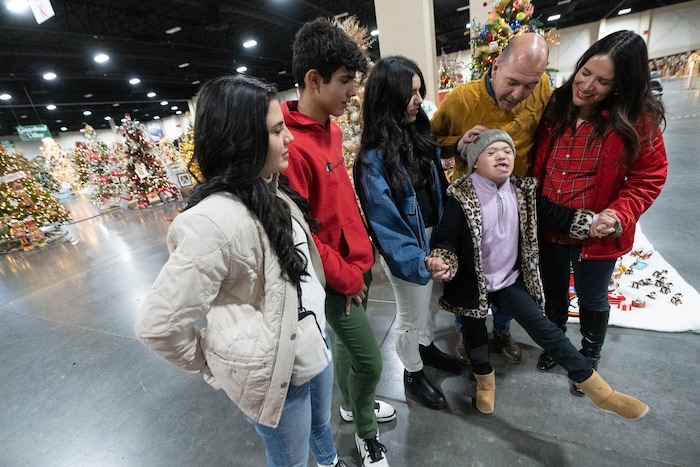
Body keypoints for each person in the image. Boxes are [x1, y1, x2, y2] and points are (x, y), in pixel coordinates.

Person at [135, 75, 348, 467]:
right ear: (242, 140)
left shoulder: (271, 189)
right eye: (276, 130)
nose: (290, 139)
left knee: (321, 427)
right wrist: (214, 362)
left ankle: (331, 460)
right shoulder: (215, 221)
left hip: (313, 342)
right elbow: (158, 325)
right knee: (289, 460)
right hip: (279, 373)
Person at [426, 129, 649, 421]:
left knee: (547, 331)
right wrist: (442, 260)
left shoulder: (524, 192)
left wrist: (592, 223)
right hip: (472, 285)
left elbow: (558, 215)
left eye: (507, 151)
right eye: (491, 152)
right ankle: (484, 380)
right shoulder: (460, 197)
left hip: (508, 282)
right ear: (475, 162)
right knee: (475, 337)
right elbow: (446, 238)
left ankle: (600, 391)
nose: (502, 156)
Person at [281, 18, 394, 467]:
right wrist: (346, 277)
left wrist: (363, 258)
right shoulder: (290, 148)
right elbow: (302, 234)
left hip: (358, 264)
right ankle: (366, 434)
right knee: (370, 363)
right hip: (334, 279)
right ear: (314, 79)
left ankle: (352, 407)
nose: (352, 92)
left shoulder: (330, 126)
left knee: (350, 351)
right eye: (345, 81)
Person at [532, 30, 668, 395]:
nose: (588, 85)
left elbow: (648, 177)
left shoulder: (638, 119)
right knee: (555, 291)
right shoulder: (556, 104)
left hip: (596, 232)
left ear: (621, 86)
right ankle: (557, 343)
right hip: (549, 223)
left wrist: (619, 214)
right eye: (586, 72)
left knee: (592, 298)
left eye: (603, 81)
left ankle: (589, 355)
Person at [430, 33, 553, 365]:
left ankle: (502, 330)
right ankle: (465, 331)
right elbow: (429, 140)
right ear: (496, 66)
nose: (518, 94)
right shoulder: (461, 100)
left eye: (529, 86)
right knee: (471, 276)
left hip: (515, 207)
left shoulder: (542, 90)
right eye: (512, 82)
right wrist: (456, 144)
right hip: (473, 210)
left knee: (510, 272)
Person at [353, 56, 461, 411]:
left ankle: (426, 349)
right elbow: (385, 223)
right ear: (389, 96)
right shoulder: (372, 159)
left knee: (431, 305)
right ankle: (412, 373)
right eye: (410, 92)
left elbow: (438, 189)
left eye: (419, 91)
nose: (418, 99)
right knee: (410, 315)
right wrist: (419, 260)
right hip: (410, 248)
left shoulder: (417, 134)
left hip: (434, 239)